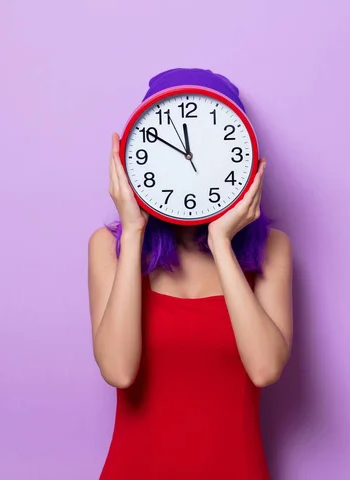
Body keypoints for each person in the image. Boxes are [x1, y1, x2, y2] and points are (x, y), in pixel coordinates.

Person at [88, 68, 293, 480]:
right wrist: (132, 230)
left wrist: (221, 243)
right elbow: (118, 370)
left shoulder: (273, 250)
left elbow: (265, 368)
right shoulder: (107, 249)